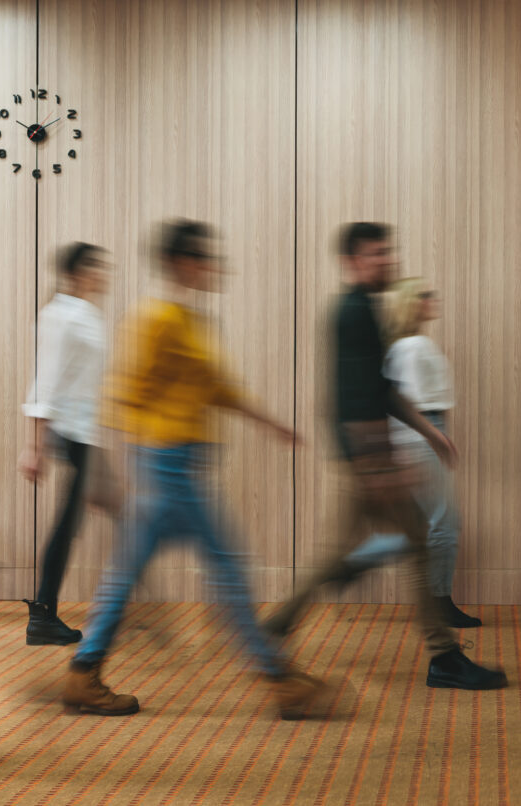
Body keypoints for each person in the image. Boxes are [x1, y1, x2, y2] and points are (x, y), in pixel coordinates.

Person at [63, 219, 324, 720]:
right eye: (205, 257)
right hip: (165, 467)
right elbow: (121, 395)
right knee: (227, 566)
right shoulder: (154, 319)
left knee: (126, 574)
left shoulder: (191, 320)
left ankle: (84, 671)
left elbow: (216, 387)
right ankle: (281, 679)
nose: (214, 267)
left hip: (174, 466)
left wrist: (270, 423)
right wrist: (114, 471)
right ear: (182, 262)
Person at [264, 222, 506, 690]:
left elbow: (384, 391)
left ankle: (278, 623)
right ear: (352, 261)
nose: (387, 261)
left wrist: (430, 434)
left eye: (387, 252)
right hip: (367, 460)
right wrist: (379, 466)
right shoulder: (352, 312)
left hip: (367, 459)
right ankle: (443, 656)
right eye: (377, 254)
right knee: (413, 541)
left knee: (348, 551)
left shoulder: (365, 312)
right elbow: (353, 399)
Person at [17, 242, 111, 645]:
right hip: (71, 432)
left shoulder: (87, 314)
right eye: (95, 266)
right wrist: (34, 446)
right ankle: (43, 614)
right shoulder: (59, 316)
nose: (102, 273)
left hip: (87, 431)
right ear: (75, 272)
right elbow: (46, 382)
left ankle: (46, 612)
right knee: (70, 521)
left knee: (76, 519)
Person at [382, 278, 480, 628]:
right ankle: (440, 603)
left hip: (427, 434)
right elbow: (407, 403)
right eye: (424, 295)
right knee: (444, 522)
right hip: (421, 436)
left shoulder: (413, 344)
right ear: (411, 304)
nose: (431, 298)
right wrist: (436, 438)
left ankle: (354, 560)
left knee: (430, 524)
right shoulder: (411, 347)